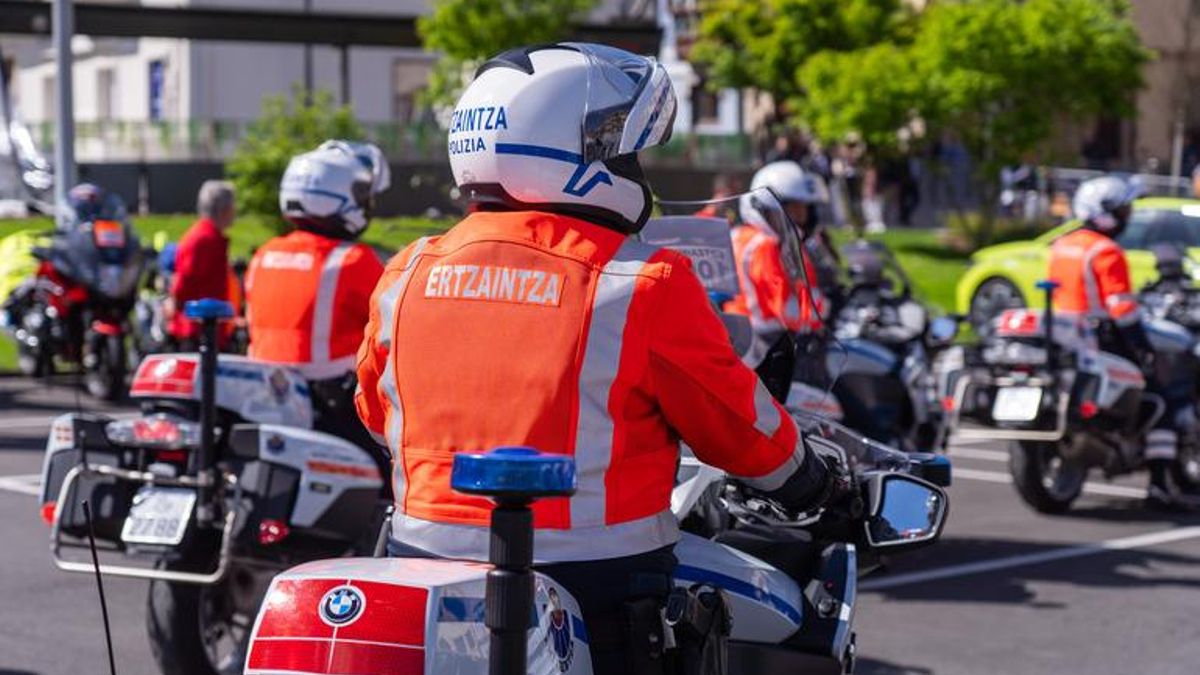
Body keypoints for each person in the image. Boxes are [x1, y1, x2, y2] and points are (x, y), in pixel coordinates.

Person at [354, 43, 838, 675]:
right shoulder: (639, 280)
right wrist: (813, 480)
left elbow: (373, 410)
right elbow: (741, 430)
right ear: (581, 155)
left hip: (422, 564)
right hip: (595, 585)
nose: (636, 170)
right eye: (626, 152)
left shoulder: (407, 269)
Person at [1047, 175, 1198, 510]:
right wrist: (1142, 347)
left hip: (1068, 338)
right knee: (1162, 397)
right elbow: (1123, 309)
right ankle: (1160, 484)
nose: (1128, 216)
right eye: (1124, 209)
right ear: (1106, 212)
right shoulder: (1105, 250)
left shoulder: (1063, 244)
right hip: (1104, 338)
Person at [245, 140, 390, 467]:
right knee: (392, 472)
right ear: (339, 196)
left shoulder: (265, 254)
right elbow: (398, 324)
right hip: (333, 408)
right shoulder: (352, 260)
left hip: (267, 399)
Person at [724, 161, 830, 371]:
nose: (801, 215)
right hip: (767, 344)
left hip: (743, 338)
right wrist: (825, 307)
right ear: (764, 208)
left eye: (804, 207)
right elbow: (786, 309)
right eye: (791, 208)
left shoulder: (741, 235)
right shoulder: (765, 245)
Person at [169, 180, 235, 348]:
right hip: (198, 329)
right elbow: (184, 281)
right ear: (223, 209)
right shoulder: (204, 239)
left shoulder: (208, 236)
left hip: (207, 327)